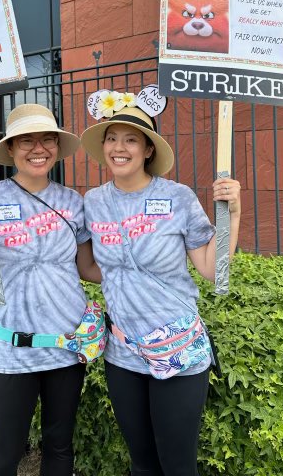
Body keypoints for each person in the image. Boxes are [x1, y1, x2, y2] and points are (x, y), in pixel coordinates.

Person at [77, 89, 241, 476]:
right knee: (142, 463)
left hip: (178, 348)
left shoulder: (177, 197)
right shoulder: (93, 202)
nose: (120, 147)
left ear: (148, 149)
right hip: (123, 353)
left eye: (131, 139)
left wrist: (232, 212)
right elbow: (90, 268)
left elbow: (211, 267)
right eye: (112, 138)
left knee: (178, 465)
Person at [0, 104, 97, 476]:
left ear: (58, 147)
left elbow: (89, 268)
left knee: (59, 450)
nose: (38, 148)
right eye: (26, 140)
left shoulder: (72, 202)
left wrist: (143, 266)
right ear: (11, 149)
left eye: (47, 139)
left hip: (65, 345)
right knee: (4, 455)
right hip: (11, 348)